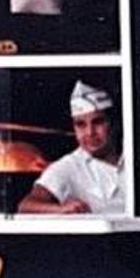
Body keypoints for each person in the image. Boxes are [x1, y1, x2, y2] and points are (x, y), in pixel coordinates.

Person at [17, 80, 126, 215]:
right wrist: (61, 209)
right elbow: (26, 206)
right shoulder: (69, 166)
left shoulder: (133, 153)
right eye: (81, 125)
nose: (90, 132)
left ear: (114, 123)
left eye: (98, 122)